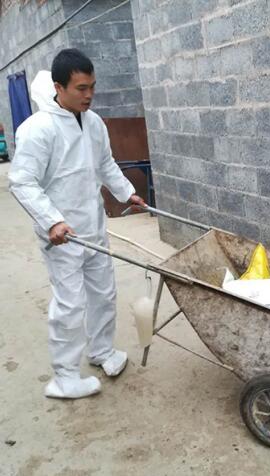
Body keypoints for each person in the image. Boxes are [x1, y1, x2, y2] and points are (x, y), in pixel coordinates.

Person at [8, 48, 146, 399]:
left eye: (92, 87)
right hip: (62, 235)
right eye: (81, 88)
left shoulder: (94, 122)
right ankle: (64, 376)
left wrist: (127, 192)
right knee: (70, 304)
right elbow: (22, 182)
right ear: (59, 87)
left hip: (93, 227)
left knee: (104, 293)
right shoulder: (38, 129)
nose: (89, 95)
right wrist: (51, 221)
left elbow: (105, 164)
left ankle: (101, 350)